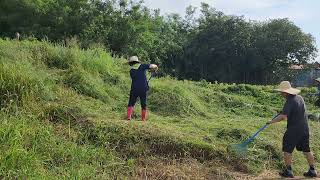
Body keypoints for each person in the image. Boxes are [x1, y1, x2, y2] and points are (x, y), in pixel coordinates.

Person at [266, 81, 317, 178]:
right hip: (305, 128)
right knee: (306, 150)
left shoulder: (289, 101)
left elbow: (283, 117)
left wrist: (271, 121)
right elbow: (294, 111)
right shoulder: (300, 98)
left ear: (286, 92)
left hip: (294, 129)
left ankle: (288, 171)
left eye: (281, 92)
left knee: (287, 150)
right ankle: (312, 170)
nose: (280, 94)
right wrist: (285, 112)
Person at [127, 56, 158, 121]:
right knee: (143, 103)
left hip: (134, 88)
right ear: (137, 61)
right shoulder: (142, 66)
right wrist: (155, 67)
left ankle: (129, 117)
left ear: (131, 63)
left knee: (131, 102)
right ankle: (143, 119)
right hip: (143, 88)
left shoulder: (131, 70)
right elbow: (152, 66)